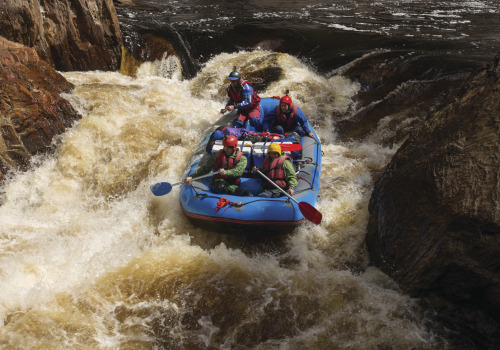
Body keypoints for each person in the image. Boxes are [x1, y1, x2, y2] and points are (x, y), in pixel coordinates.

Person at [184, 135, 253, 196]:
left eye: (228, 147)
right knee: (220, 187)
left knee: (248, 195)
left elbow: (238, 171)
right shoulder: (217, 157)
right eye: (225, 147)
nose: (226, 149)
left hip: (232, 184)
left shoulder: (242, 159)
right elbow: (205, 169)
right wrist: (192, 177)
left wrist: (226, 172)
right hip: (219, 181)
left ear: (234, 147)